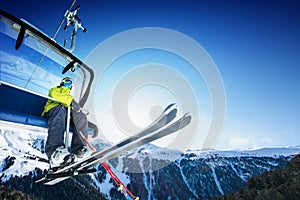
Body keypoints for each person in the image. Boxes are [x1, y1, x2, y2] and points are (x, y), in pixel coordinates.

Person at [42, 77, 91, 168]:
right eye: (66, 82)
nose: (68, 84)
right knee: (60, 110)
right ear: (62, 83)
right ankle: (54, 150)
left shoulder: (70, 97)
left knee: (81, 117)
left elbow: (74, 108)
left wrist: (77, 109)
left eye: (70, 83)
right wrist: (71, 101)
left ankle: (79, 149)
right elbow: (54, 95)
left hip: (65, 115)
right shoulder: (55, 90)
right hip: (53, 111)